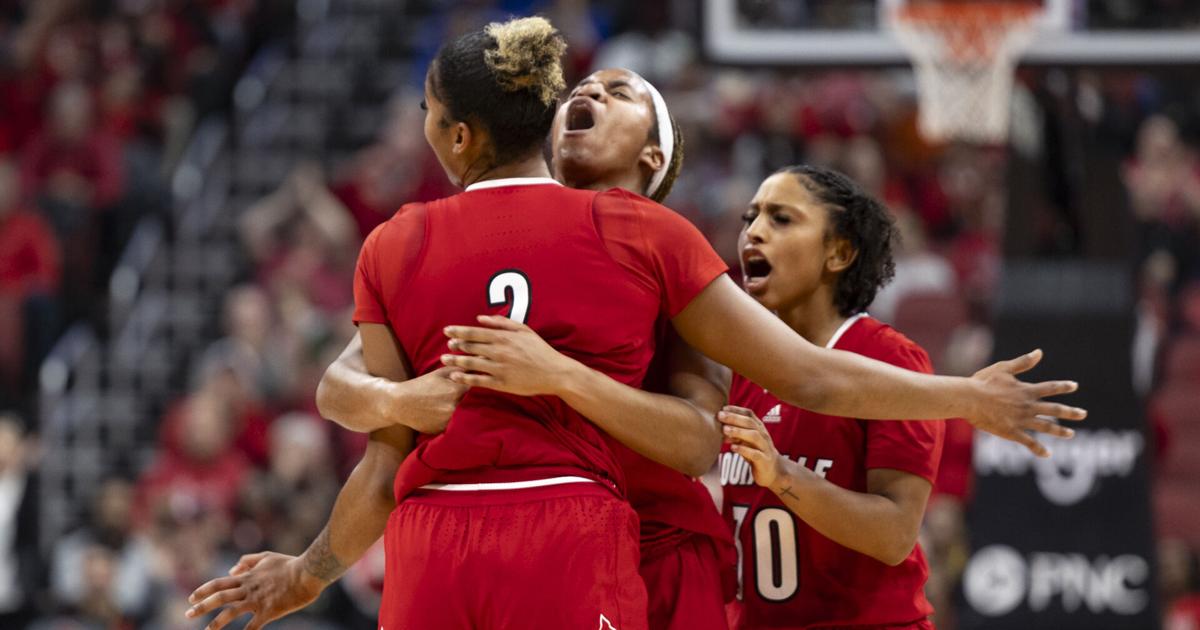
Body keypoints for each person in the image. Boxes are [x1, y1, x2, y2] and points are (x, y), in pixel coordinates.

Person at [187, 16, 1083, 630]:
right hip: (557, 532)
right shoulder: (465, 236)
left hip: (656, 543)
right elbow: (345, 388)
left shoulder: (660, 246)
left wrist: (962, 397)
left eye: (618, 92)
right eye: (583, 86)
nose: (590, 92)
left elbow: (724, 426)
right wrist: (396, 403)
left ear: (654, 155)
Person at [717, 165, 944, 628]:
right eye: (750, 217)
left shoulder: (890, 358)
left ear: (838, 252)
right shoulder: (745, 361)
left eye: (781, 218)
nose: (754, 232)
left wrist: (782, 475)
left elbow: (894, 535)